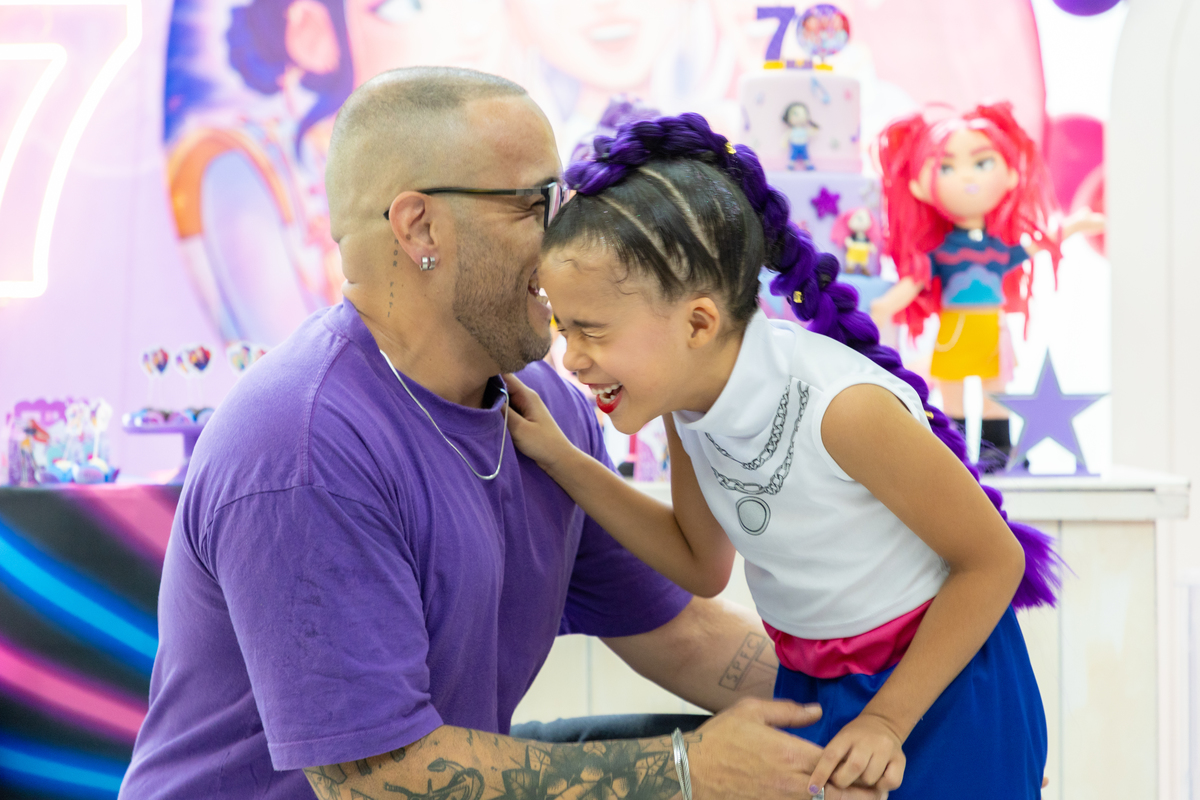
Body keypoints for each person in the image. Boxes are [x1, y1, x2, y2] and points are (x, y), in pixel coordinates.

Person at [120, 69, 889, 800]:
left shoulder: (546, 409)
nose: (572, 235)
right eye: (535, 204)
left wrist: (888, 704)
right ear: (420, 226)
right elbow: (376, 779)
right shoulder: (306, 445)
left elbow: (680, 633)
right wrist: (687, 771)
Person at [501, 112, 1058, 798]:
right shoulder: (686, 405)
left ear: (698, 322)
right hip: (817, 683)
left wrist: (887, 719)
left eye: (591, 331)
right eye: (563, 329)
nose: (571, 358)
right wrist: (562, 460)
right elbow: (700, 564)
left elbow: (994, 560)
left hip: (939, 688)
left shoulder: (842, 409)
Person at [868, 103, 1104, 471]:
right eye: (947, 167)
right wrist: (883, 307)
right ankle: (955, 452)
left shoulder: (997, 249)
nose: (967, 177)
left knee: (995, 390)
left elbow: (1035, 245)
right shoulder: (942, 251)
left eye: (982, 162)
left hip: (992, 329)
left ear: (1010, 176)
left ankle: (997, 450)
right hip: (955, 329)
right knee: (953, 391)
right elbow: (915, 282)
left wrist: (1072, 226)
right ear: (918, 186)